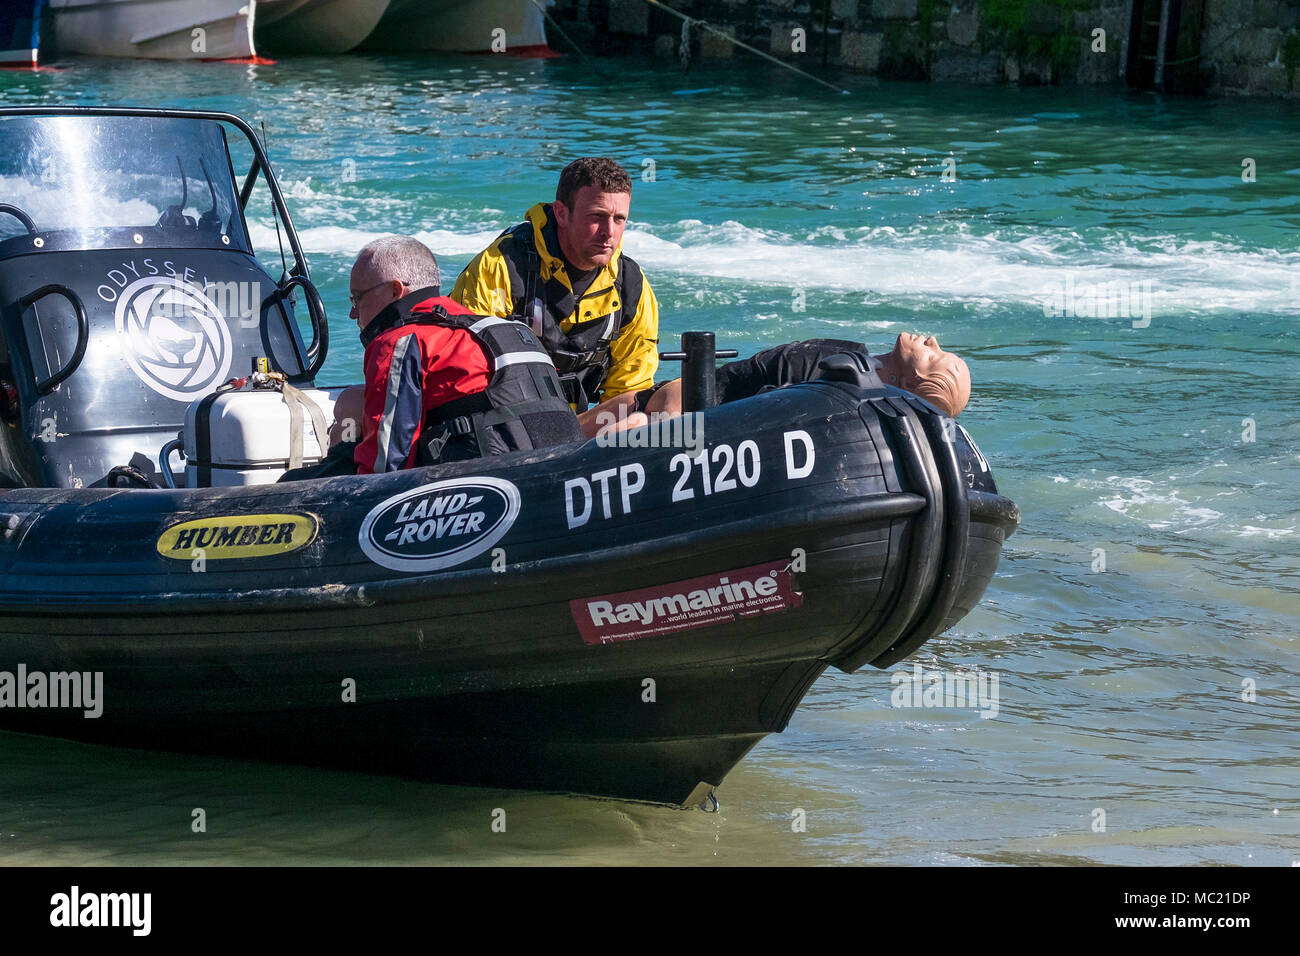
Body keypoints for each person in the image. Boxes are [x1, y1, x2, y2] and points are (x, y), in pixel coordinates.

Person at [342, 235, 582, 475]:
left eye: (357, 298)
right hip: (566, 470)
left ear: (395, 290)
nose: (353, 313)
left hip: (489, 485)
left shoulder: (400, 341)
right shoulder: (511, 330)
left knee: (343, 439)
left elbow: (385, 464)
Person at [450, 157, 660, 418]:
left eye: (619, 219)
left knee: (658, 406)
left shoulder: (632, 287)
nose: (609, 232)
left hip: (577, 430)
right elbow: (464, 377)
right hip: (504, 426)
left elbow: (630, 388)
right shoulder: (500, 268)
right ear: (561, 213)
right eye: (597, 216)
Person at [587, 334, 971, 436]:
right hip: (663, 402)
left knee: (626, 431)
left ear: (913, 383)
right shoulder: (853, 359)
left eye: (935, 358)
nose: (933, 342)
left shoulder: (849, 383)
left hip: (670, 416)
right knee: (551, 436)